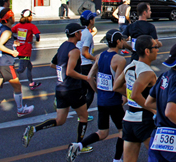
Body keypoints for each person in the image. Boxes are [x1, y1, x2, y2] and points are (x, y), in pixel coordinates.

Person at [21, 23, 90, 148]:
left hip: (60, 88)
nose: (81, 34)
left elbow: (52, 64)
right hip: (73, 89)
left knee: (60, 120)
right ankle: (79, 146)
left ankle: (34, 129)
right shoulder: (74, 51)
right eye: (80, 32)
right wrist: (86, 77)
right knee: (83, 117)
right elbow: (70, 71)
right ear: (76, 34)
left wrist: (61, 72)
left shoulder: (63, 46)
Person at [67, 30, 129, 161]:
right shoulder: (119, 59)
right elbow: (117, 85)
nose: (124, 42)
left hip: (101, 101)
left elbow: (90, 77)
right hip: (113, 101)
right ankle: (117, 160)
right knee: (124, 131)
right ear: (118, 42)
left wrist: (98, 92)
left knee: (102, 132)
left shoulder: (100, 56)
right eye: (122, 40)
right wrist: (128, 94)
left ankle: (79, 145)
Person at [117, 34, 158, 162]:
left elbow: (116, 87)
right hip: (144, 121)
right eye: (155, 47)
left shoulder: (130, 66)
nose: (158, 49)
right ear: (147, 51)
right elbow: (135, 94)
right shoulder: (147, 72)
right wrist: (152, 109)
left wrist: (130, 96)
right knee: (158, 158)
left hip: (129, 119)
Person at [11, 9, 41, 90]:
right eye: (31, 16)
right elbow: (37, 35)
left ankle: (31, 83)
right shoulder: (31, 26)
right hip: (26, 50)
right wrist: (37, 39)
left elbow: (10, 31)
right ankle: (8, 75)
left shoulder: (18, 25)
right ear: (29, 17)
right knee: (21, 69)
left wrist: (15, 38)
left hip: (19, 48)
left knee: (29, 66)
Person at [77, 10, 98, 116]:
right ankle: (83, 114)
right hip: (86, 65)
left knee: (82, 90)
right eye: (93, 18)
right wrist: (95, 59)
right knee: (91, 90)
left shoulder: (80, 32)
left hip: (78, 64)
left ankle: (81, 112)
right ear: (90, 20)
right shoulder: (87, 35)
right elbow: (85, 53)